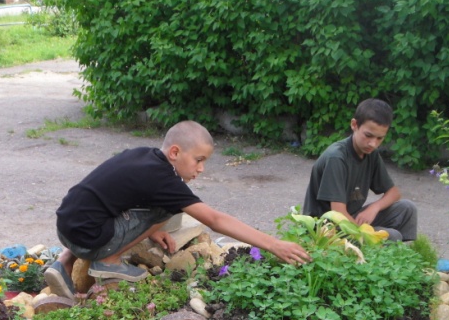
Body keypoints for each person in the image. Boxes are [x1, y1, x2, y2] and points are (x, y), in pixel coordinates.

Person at [45, 120, 311, 299]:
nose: (201, 168)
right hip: (91, 237)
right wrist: (274, 244)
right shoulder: (164, 180)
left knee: (107, 206)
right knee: (168, 209)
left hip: (66, 227)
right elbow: (215, 220)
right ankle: (108, 262)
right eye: (198, 160)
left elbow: (113, 196)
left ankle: (65, 262)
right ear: (175, 152)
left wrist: (149, 233)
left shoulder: (142, 155)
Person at [302, 98, 417, 242]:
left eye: (379, 138)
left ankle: (408, 257)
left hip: (352, 218)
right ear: (354, 125)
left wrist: (374, 208)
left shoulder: (370, 153)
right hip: (326, 228)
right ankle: (384, 258)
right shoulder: (337, 158)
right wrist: (365, 234)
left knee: (407, 208)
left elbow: (394, 193)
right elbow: (337, 213)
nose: (373, 144)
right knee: (392, 236)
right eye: (368, 135)